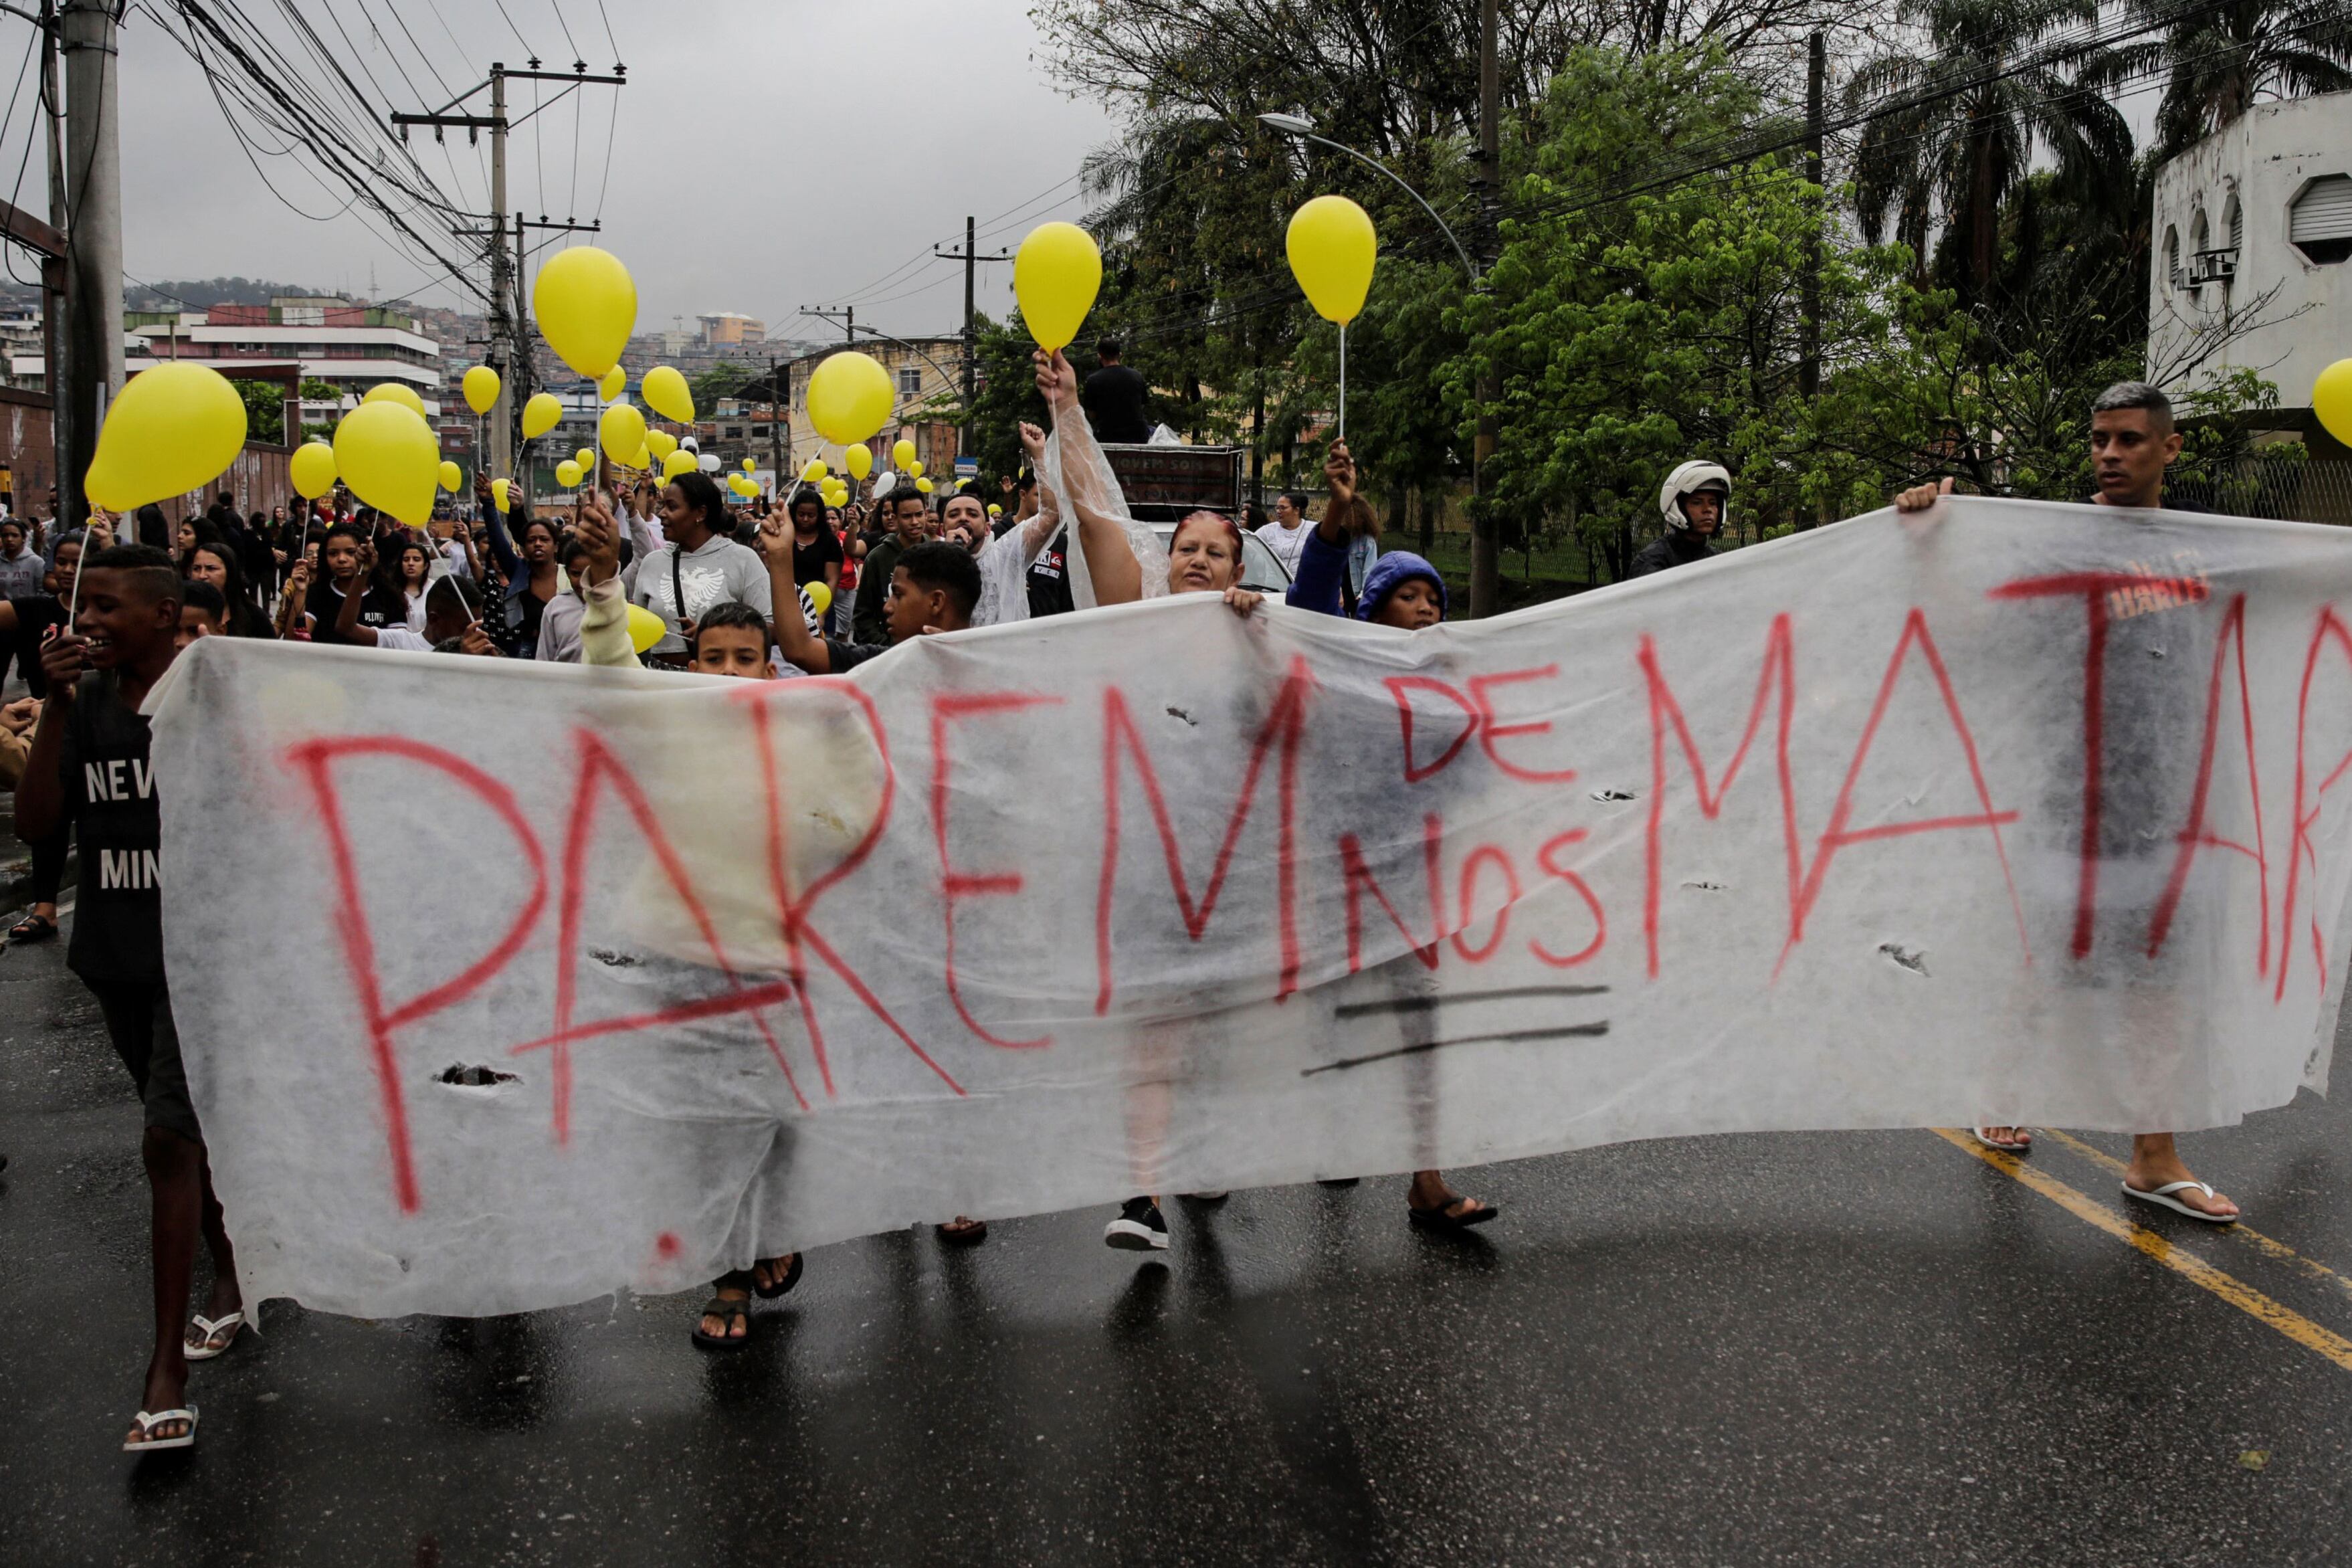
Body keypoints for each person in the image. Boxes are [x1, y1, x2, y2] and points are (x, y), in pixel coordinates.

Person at [1896, 379, 2238, 1223]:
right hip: (2070, 805)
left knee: (2159, 986)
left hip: (2171, 809)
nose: (2110, 454)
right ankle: (2005, 1092)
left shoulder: (2212, 551)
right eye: (2099, 440)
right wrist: (1930, 542)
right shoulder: (2059, 549)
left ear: (2171, 448)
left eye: (2128, 440)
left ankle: (2153, 1158)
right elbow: (1973, 640)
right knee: (2042, 965)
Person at [15, 543, 243, 1452]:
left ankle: (163, 1371)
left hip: (200, 961)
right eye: (87, 606)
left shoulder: (216, 708)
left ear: (163, 617)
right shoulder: (88, 706)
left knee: (165, 1139)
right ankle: (230, 1274)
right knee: (183, 1136)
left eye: (110, 607)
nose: (90, 622)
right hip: (115, 956)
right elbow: (38, 823)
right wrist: (60, 706)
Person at [1287, 438, 1496, 1232]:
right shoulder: (1341, 659)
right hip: (1339, 876)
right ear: (1373, 611)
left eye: (1435, 599)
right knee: (1341, 1016)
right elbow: (1312, 590)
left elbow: (1470, 774)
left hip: (1414, 883)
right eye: (1410, 597)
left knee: (1420, 1026)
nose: (1428, 608)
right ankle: (1338, 1139)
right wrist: (1341, 505)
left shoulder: (1450, 688)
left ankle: (1426, 1180)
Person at [622, 470, 773, 664]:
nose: (662, 514)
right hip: (660, 686)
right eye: (662, 506)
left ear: (700, 513)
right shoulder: (652, 563)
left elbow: (771, 627)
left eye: (672, 507)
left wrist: (715, 634)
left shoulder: (743, 559)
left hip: (720, 683)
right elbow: (638, 635)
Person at [298, 524, 408, 646]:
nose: (341, 559)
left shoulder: (388, 596)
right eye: (333, 553)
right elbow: (297, 641)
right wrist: (300, 593)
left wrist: (363, 573)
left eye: (351, 552)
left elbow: (396, 645)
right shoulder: (317, 594)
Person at [851, 480, 930, 646]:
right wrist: (884, 646)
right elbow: (863, 614)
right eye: (907, 516)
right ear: (895, 518)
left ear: (926, 514)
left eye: (919, 514)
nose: (915, 522)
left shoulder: (937, 554)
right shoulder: (877, 558)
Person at [1629, 462, 1730, 578]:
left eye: (1713, 503)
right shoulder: (1653, 561)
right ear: (1677, 507)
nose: (1707, 510)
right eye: (1697, 503)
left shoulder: (1718, 560)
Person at [183, 542, 273, 639]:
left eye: (211, 569)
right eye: (196, 569)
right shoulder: (180, 611)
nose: (202, 575)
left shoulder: (255, 617)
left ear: (230, 572)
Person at [1081, 335, 1151, 444]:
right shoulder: (1136, 376)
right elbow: (1141, 406)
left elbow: (1091, 414)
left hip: (1107, 437)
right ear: (1120, 355)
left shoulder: (1093, 380)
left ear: (1100, 356)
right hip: (1137, 437)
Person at [786, 487, 844, 605]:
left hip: (820, 604)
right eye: (801, 514)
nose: (805, 519)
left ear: (819, 516)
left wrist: (822, 613)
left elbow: (832, 580)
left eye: (811, 515)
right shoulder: (785, 537)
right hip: (788, 603)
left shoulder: (830, 541)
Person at [1254, 490, 1312, 578]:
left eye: (1283, 508)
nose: (1278, 511)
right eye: (1277, 508)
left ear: (1296, 510)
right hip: (1276, 587)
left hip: (1305, 585)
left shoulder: (1312, 529)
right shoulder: (1267, 531)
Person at [0, 515, 40, 600]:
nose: (9, 539)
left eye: (15, 536)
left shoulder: (35, 562)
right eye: (5, 535)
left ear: (24, 538)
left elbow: (44, 592)